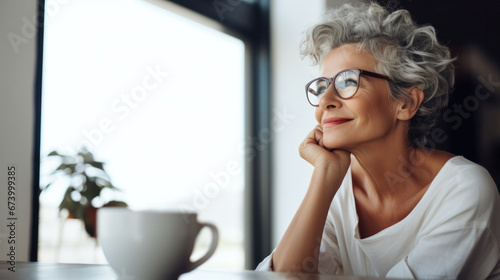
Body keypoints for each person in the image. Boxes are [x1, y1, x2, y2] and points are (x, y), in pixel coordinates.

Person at [256, 2, 500, 279]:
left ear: (406, 103)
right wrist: (323, 176)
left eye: (348, 81)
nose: (324, 101)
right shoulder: (337, 186)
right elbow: (282, 276)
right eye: (322, 86)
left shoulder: (464, 190)